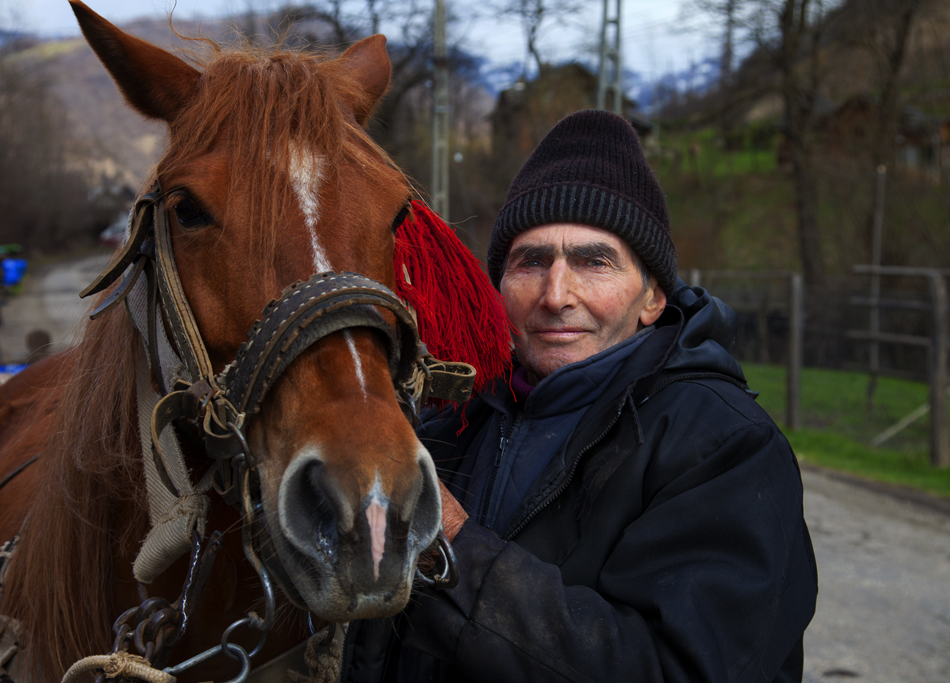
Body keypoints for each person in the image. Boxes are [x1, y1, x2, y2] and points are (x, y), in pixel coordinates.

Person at [340, 110, 817, 683]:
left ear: (652, 299)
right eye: (531, 262)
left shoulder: (727, 448)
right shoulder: (448, 427)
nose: (556, 294)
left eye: (595, 262)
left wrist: (449, 547)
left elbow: (676, 670)